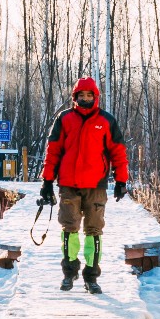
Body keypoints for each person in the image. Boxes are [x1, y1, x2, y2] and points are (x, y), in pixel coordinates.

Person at [37, 76, 129, 294]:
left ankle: (91, 276)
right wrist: (47, 181)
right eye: (81, 95)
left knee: (94, 231)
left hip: (96, 185)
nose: (85, 99)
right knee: (69, 229)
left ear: (95, 96)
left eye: (89, 95)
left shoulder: (106, 120)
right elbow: (53, 152)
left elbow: (118, 152)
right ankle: (69, 274)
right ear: (75, 97)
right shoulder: (65, 119)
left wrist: (121, 180)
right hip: (68, 184)